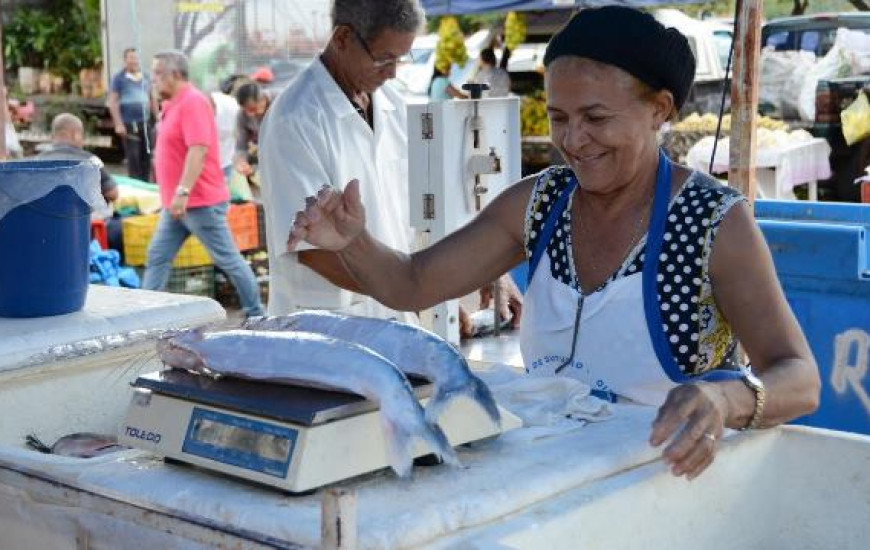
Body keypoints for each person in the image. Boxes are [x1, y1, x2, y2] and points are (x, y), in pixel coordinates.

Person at [287, 6, 820, 480]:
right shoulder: (538, 205)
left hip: (671, 492)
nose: (573, 140)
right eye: (559, 117)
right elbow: (413, 283)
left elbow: (799, 378)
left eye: (596, 118)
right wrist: (354, 242)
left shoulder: (712, 222)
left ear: (659, 108)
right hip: (554, 487)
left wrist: (723, 398)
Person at [259, 0, 521, 332]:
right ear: (342, 38)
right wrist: (421, 289)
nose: (393, 72)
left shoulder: (395, 107)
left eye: (401, 58)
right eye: (384, 58)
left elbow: (429, 212)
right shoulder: (295, 120)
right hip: (323, 330)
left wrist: (485, 271)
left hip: (394, 316)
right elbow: (313, 250)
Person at [143, 50, 264, 317]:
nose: (153, 80)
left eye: (158, 74)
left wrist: (183, 192)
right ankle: (145, 317)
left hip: (199, 202)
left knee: (228, 260)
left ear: (175, 75)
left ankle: (256, 313)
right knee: (157, 257)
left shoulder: (193, 102)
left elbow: (197, 149)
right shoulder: (171, 104)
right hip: (178, 204)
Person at [36, 113, 119, 213]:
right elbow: (113, 194)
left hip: (47, 219)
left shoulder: (37, 161)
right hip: (82, 222)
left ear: (52, 136)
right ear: (75, 135)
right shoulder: (91, 161)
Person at [108, 48, 157, 182]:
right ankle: (136, 188)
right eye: (131, 58)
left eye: (136, 58)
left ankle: (146, 186)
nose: (134, 61)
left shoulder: (145, 76)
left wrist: (158, 119)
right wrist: (118, 124)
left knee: (147, 158)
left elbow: (152, 98)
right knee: (134, 158)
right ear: (125, 61)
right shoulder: (119, 78)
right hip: (130, 124)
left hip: (146, 123)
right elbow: (113, 101)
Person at [233, 82, 272, 180]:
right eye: (246, 110)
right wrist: (241, 162)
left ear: (262, 99)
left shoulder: (280, 101)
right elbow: (241, 146)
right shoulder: (242, 115)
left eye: (252, 109)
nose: (250, 114)